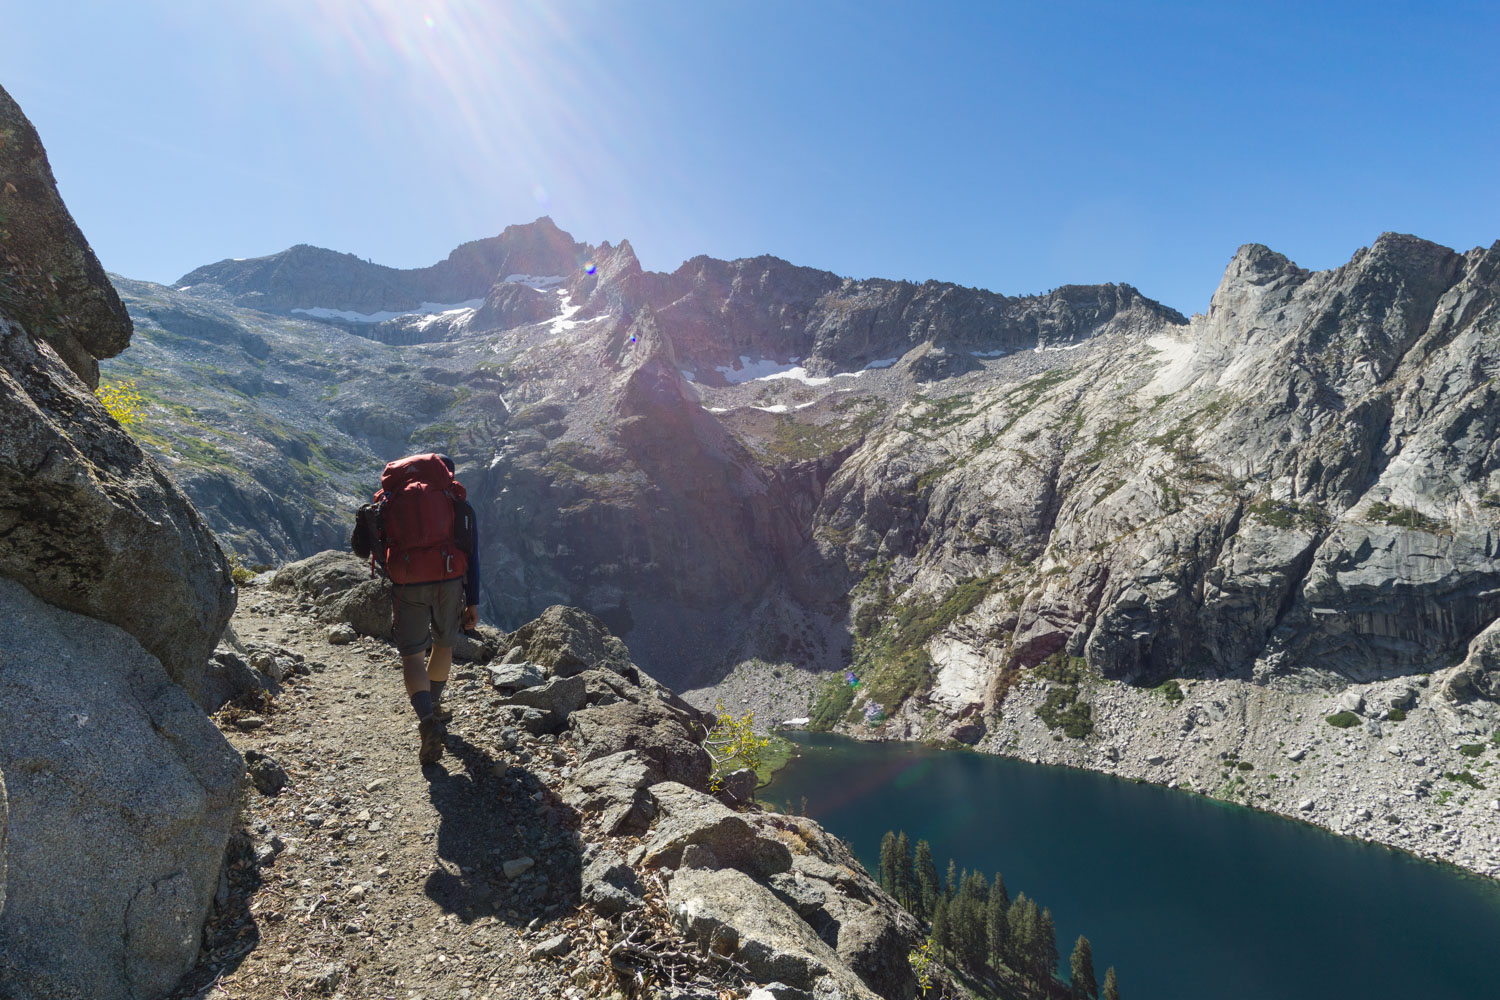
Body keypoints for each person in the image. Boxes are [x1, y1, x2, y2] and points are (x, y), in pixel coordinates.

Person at [355, 452, 480, 764]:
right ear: (446, 474)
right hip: (449, 580)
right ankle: (434, 707)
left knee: (412, 655)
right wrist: (473, 600)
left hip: (407, 581)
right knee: (444, 646)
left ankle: (427, 720)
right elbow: (473, 554)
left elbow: (360, 547)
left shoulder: (392, 499)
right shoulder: (456, 500)